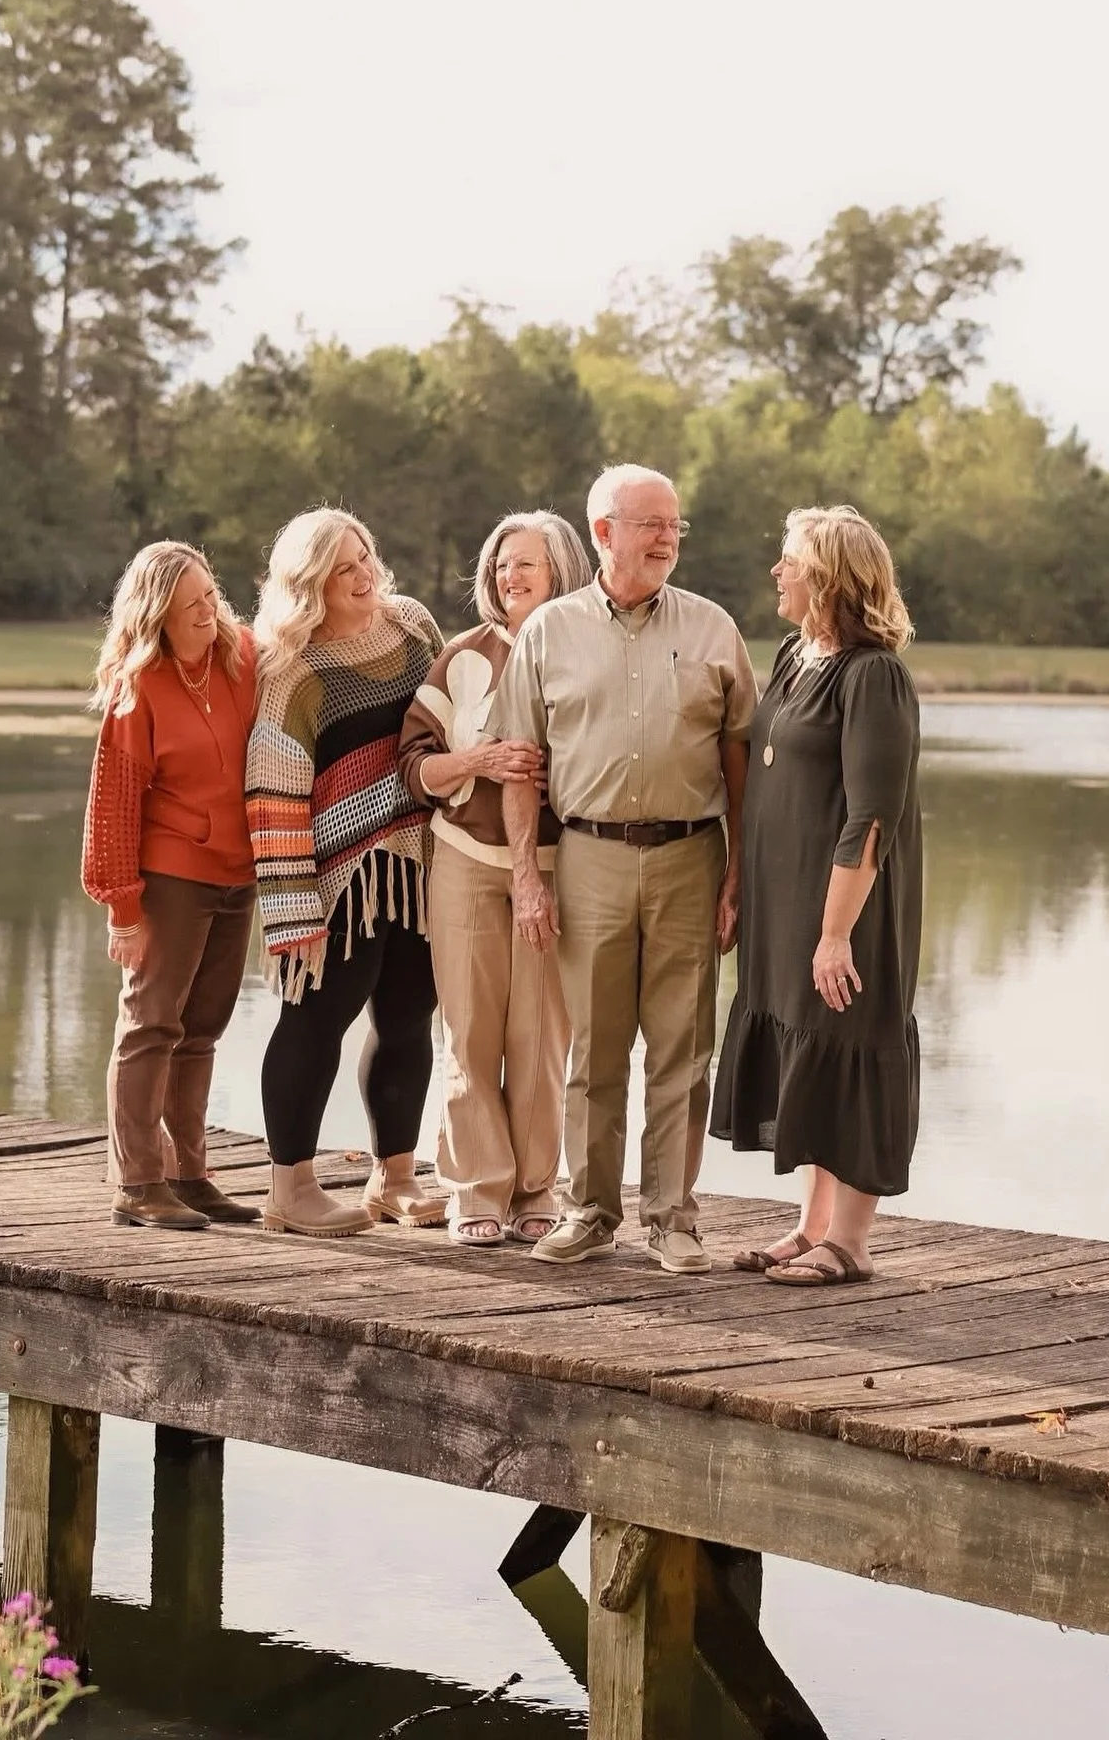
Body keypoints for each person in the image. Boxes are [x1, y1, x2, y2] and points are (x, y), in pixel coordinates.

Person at [492, 464, 757, 1272]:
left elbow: (739, 755)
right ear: (604, 532)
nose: (669, 538)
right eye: (652, 524)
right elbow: (520, 765)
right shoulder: (549, 632)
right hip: (589, 857)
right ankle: (590, 1211)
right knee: (594, 1053)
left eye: (676, 525)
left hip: (690, 856)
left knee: (683, 1050)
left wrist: (739, 868)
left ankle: (673, 1220)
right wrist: (526, 878)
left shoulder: (715, 628)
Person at [711, 504, 922, 1287]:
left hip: (850, 906)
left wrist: (836, 934)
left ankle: (853, 1242)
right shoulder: (797, 657)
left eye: (789, 560)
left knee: (854, 1043)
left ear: (827, 576)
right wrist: (739, 884)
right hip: (785, 897)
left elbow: (872, 818)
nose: (777, 572)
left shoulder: (875, 677)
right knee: (808, 1042)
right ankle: (811, 1226)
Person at [249, 509, 447, 1237]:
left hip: (420, 863)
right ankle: (290, 1189)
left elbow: (454, 714)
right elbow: (273, 792)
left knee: (406, 1017)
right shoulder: (291, 669)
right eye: (345, 568)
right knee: (319, 1016)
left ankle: (394, 1178)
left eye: (367, 557)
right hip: (338, 880)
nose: (366, 575)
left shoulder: (413, 627)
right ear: (310, 584)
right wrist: (293, 907)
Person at [398, 511, 593, 1247]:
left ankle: (537, 1188)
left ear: (563, 571)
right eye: (502, 564)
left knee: (542, 1036)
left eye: (527, 565)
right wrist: (478, 762)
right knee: (470, 1031)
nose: (510, 577)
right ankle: (476, 1189)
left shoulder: (590, 651)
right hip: (465, 863)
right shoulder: (462, 657)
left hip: (558, 870)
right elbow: (414, 768)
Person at [82, 541, 261, 1230]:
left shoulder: (240, 659)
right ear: (157, 615)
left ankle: (189, 1172)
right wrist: (123, 909)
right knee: (152, 1022)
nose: (208, 613)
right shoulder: (140, 689)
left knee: (204, 1025)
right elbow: (114, 807)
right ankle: (137, 1181)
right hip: (170, 876)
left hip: (235, 874)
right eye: (192, 606)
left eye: (211, 597)